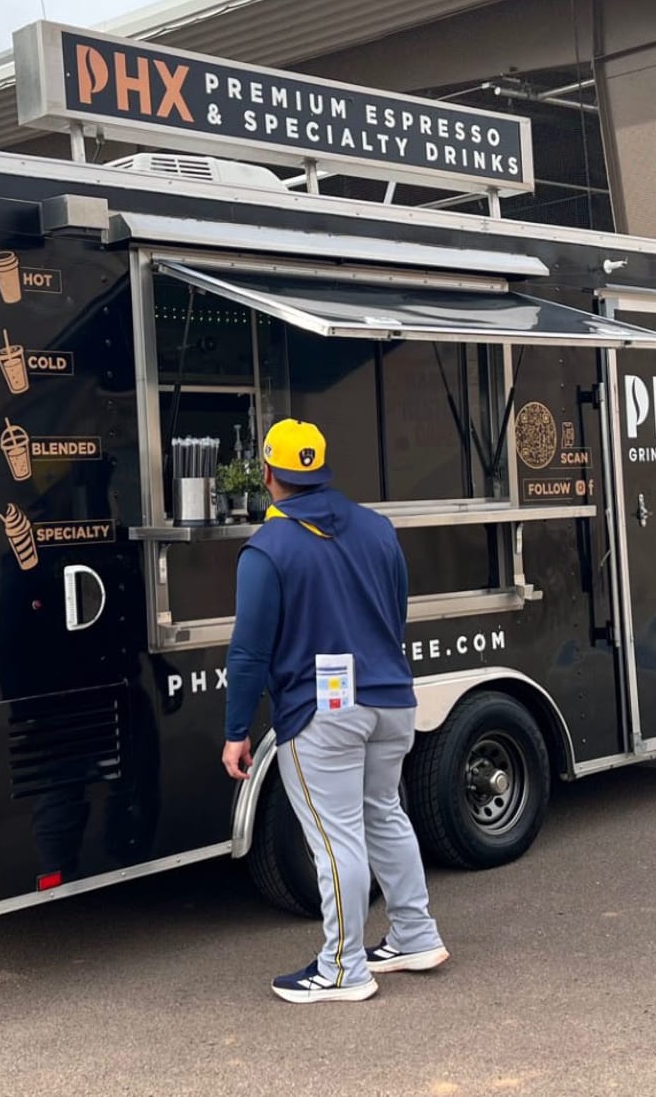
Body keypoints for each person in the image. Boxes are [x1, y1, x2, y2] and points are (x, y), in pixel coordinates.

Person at [221, 418, 448, 1004]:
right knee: (385, 815)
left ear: (267, 473)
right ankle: (415, 935)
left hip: (322, 711)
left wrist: (235, 731)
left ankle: (343, 968)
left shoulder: (267, 547)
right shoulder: (377, 529)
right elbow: (394, 614)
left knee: (335, 838)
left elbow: (249, 651)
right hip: (391, 698)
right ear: (320, 469)